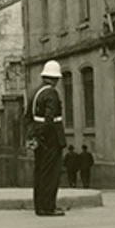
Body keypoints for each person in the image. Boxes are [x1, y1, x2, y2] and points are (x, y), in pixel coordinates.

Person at [26, 59, 67, 216]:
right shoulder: (51, 93)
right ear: (55, 78)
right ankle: (48, 207)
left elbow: (28, 117)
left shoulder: (35, 92)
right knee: (51, 174)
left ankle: (40, 205)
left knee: (40, 173)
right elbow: (50, 119)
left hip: (39, 138)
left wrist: (33, 137)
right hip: (51, 139)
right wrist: (43, 136)